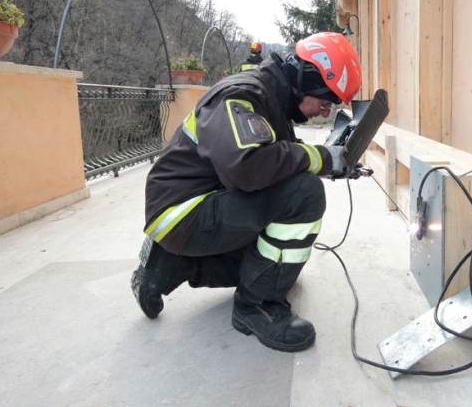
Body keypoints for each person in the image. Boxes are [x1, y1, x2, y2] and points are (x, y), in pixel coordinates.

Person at [131, 32, 362, 353]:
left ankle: (172, 264)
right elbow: (248, 166)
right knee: (304, 194)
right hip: (183, 211)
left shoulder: (271, 99)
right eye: (326, 102)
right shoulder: (241, 95)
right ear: (306, 79)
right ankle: (257, 307)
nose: (325, 112)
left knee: (275, 266)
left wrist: (329, 161)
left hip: (189, 209)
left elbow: (277, 158)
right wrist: (322, 159)